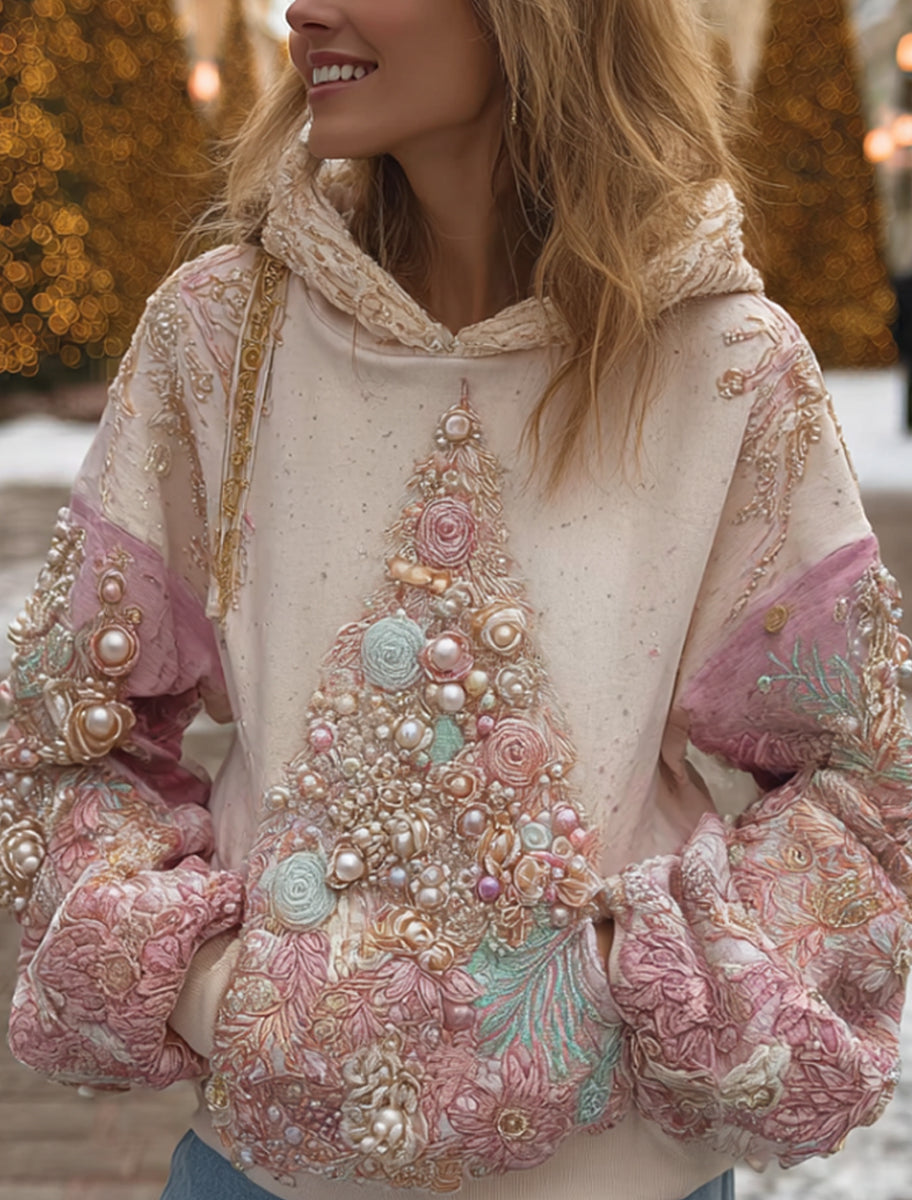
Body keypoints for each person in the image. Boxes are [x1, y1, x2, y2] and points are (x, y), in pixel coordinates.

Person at [2, 1, 911, 1199]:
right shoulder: (220, 340)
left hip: (625, 1180)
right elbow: (62, 740)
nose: (302, 8)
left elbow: (870, 782)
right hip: (267, 1175)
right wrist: (221, 990)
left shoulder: (726, 364)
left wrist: (626, 994)